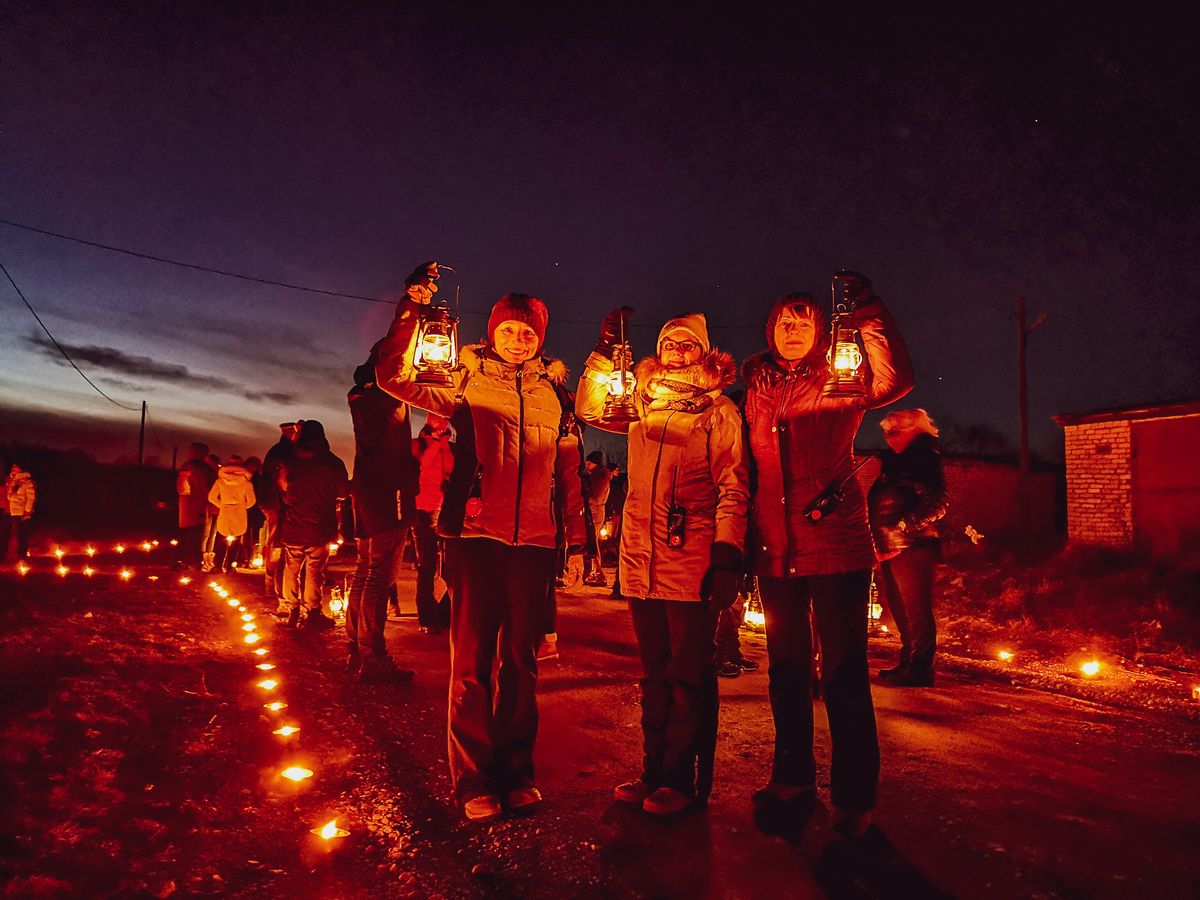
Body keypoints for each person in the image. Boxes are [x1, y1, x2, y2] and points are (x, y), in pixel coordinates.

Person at [376, 288, 585, 823]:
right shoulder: (463, 380)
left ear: (541, 339)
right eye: (509, 330)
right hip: (474, 537)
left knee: (522, 664)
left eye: (529, 332)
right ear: (491, 332)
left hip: (535, 541)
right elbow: (394, 379)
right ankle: (472, 780)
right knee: (471, 664)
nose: (518, 340)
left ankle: (516, 773)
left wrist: (578, 539)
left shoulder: (557, 397)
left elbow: (568, 474)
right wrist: (411, 316)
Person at [742, 272, 913, 838]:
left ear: (821, 332)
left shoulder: (841, 379)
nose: (793, 330)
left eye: (805, 322)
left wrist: (867, 310)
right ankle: (791, 779)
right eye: (785, 322)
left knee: (843, 675)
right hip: (776, 549)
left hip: (837, 543)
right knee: (786, 671)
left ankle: (854, 796)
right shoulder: (756, 387)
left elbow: (896, 379)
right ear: (771, 329)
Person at [576, 309, 749, 817]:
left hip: (692, 554)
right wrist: (606, 352)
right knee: (654, 673)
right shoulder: (640, 400)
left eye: (687, 344)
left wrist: (726, 553)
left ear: (703, 351)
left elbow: (734, 485)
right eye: (669, 342)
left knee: (689, 674)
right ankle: (654, 771)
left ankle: (684, 780)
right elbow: (591, 409)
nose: (677, 350)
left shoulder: (718, 410)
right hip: (640, 556)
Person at [345, 322, 422, 684]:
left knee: (365, 571)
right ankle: (373, 656)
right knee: (379, 575)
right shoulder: (385, 396)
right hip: (387, 490)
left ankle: (355, 647)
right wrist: (411, 471)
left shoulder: (362, 394)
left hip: (366, 489)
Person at [868, 408, 948, 687]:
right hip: (891, 545)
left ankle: (920, 669)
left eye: (894, 431)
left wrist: (905, 524)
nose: (888, 437)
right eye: (886, 431)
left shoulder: (922, 459)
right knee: (900, 609)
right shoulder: (897, 462)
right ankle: (908, 662)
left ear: (913, 431)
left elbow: (937, 501)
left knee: (915, 609)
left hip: (912, 547)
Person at [277, 420, 350, 632]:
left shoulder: (290, 460)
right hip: (319, 527)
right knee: (314, 570)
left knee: (291, 568)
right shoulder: (332, 463)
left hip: (294, 525)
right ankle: (313, 612)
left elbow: (283, 488)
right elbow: (344, 492)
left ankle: (291, 608)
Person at [412, 412, 455, 634]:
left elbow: (452, 470)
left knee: (447, 566)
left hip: (444, 509)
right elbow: (418, 469)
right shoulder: (418, 445)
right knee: (427, 566)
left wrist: (449, 482)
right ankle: (427, 617)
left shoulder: (450, 446)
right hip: (423, 510)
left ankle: (445, 614)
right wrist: (434, 445)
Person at [260, 423, 300, 609]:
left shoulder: (275, 452)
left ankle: (274, 587)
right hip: (281, 506)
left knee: (279, 546)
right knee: (281, 548)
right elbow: (283, 482)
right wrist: (292, 500)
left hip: (275, 505)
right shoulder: (284, 454)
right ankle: (279, 592)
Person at [207, 456, 256, 573]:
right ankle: (230, 566)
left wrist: (223, 505)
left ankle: (217, 566)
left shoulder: (219, 481)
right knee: (236, 540)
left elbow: (212, 497)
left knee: (220, 539)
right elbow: (252, 500)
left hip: (225, 513)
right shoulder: (246, 483)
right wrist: (242, 507)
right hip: (240, 514)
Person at [176, 443, 216, 570]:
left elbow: (180, 488)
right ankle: (197, 562)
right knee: (198, 537)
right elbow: (210, 489)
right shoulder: (205, 470)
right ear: (204, 455)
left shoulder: (185, 467)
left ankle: (181, 561)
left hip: (186, 508)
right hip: (199, 507)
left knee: (185, 536)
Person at [582, 450, 614, 586]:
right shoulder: (595, 475)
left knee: (592, 543)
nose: (587, 465)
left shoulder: (601, 477)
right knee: (590, 542)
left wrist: (584, 497)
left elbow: (597, 497)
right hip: (592, 511)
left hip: (595, 512)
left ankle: (598, 572)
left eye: (589, 462)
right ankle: (593, 571)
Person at [3, 461, 36, 561]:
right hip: (13, 511)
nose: (13, 468)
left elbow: (31, 498)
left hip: (22, 512)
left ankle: (22, 554)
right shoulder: (12, 481)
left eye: (16, 467)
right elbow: (9, 496)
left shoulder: (27, 482)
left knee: (22, 534)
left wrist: (27, 511)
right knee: (14, 533)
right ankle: (15, 553)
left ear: (21, 469)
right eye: (12, 466)